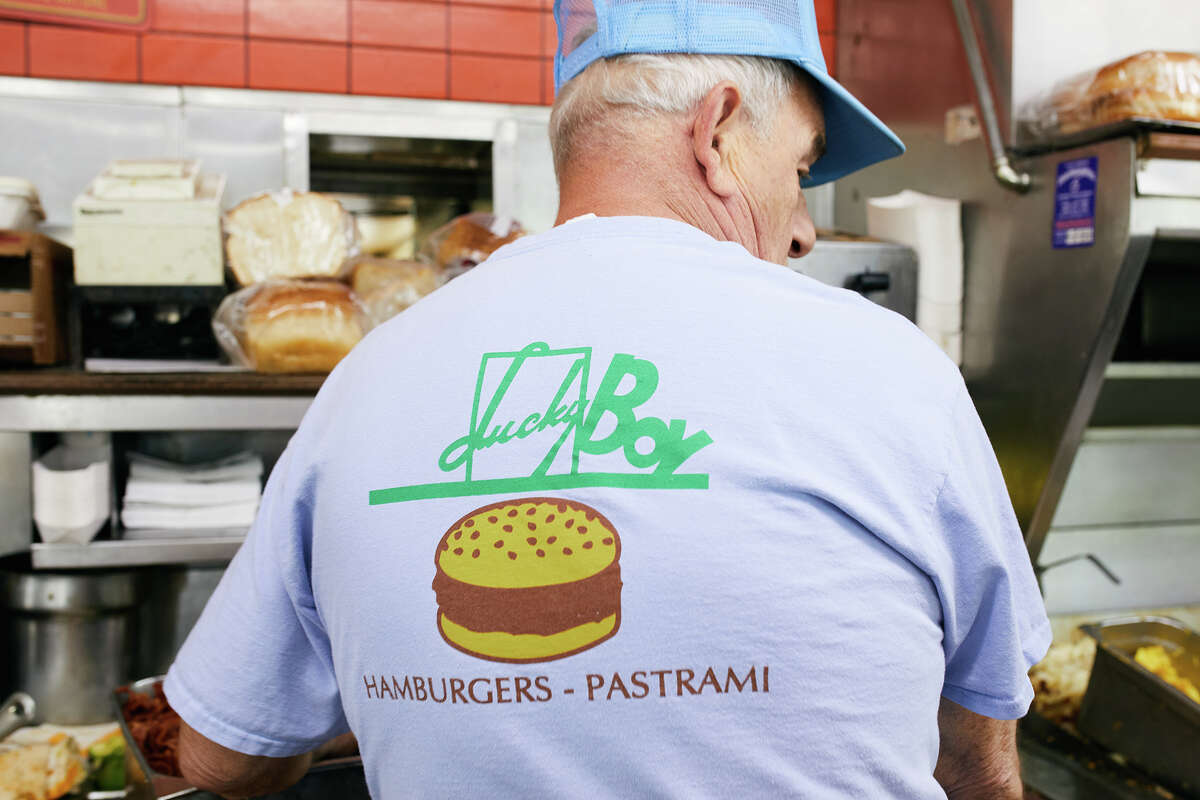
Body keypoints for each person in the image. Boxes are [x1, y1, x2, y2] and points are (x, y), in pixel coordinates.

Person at [166, 1, 1051, 797]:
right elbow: (976, 758)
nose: (805, 227)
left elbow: (219, 755)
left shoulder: (366, 375)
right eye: (804, 166)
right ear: (718, 131)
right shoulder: (893, 366)